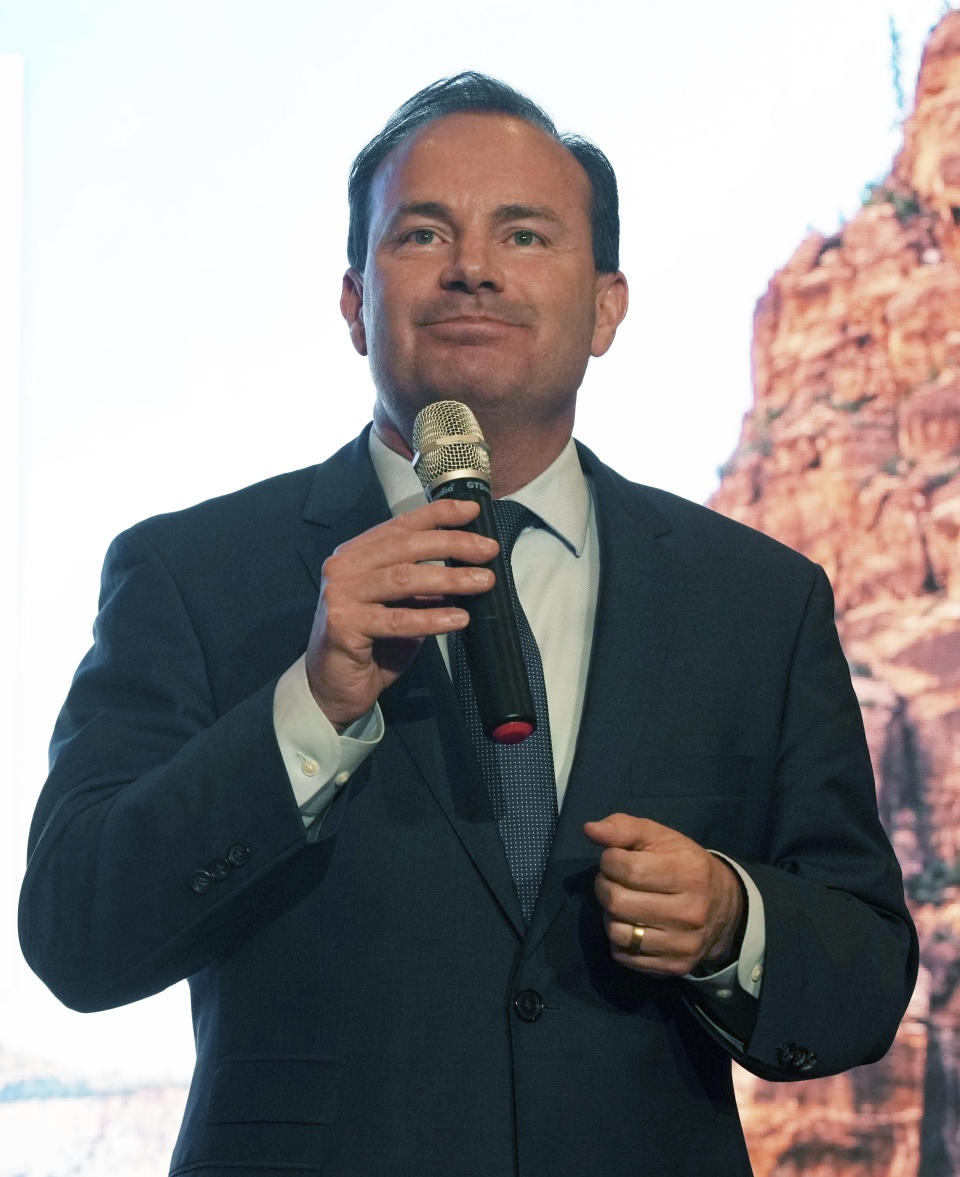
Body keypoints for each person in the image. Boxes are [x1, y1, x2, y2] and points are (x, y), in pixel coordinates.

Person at [20, 73, 917, 1177]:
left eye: (526, 233)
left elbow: (868, 970)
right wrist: (312, 706)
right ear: (355, 303)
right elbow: (77, 934)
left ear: (606, 308)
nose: (473, 267)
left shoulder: (760, 601)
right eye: (423, 232)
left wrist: (736, 920)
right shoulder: (190, 573)